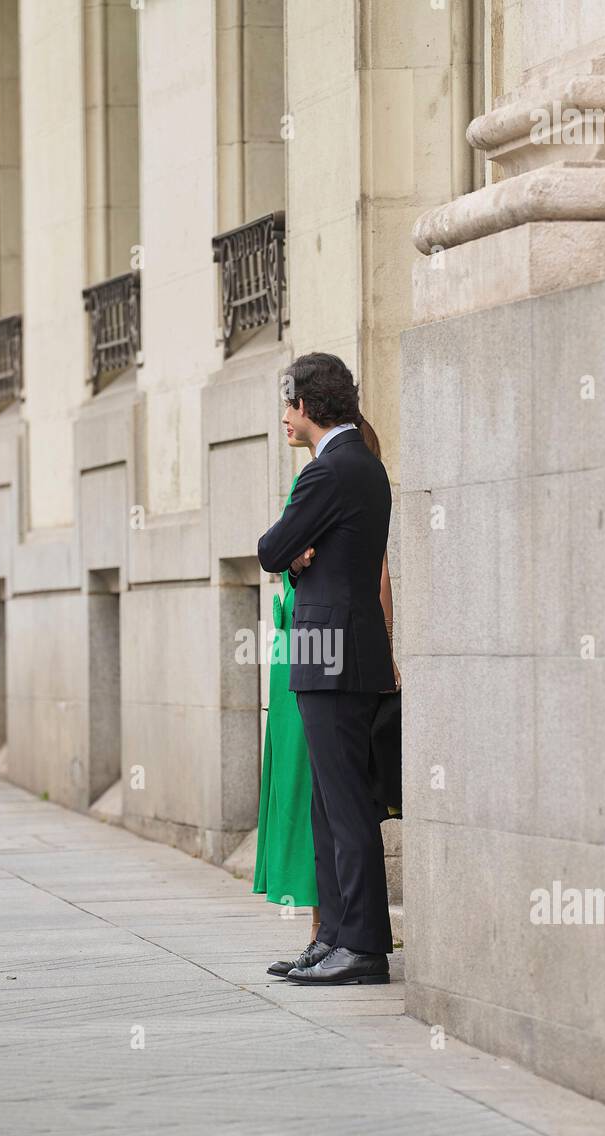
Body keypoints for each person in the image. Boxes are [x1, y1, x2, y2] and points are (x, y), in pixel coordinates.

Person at [257, 353, 396, 986]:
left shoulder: (327, 472)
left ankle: (361, 946)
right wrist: (302, 551)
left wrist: (296, 551)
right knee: (329, 805)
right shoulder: (366, 465)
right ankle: (333, 938)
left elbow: (270, 550)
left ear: (308, 405)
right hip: (350, 650)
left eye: (288, 404)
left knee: (343, 807)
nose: (285, 417)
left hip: (328, 654)